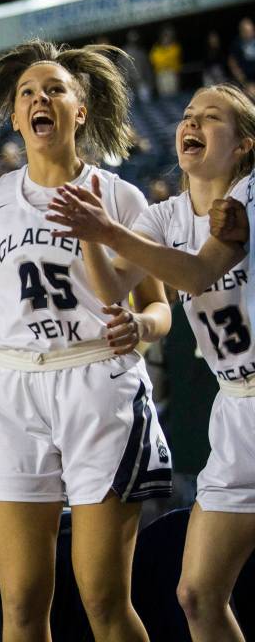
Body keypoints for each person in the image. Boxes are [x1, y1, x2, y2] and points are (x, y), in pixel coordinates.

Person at [0, 40, 173, 642]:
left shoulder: (121, 196)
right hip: (14, 385)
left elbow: (158, 307)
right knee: (20, 601)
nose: (40, 98)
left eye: (55, 89)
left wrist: (141, 328)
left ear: (80, 112)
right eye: (26, 93)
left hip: (98, 381)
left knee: (103, 599)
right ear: (16, 118)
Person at [44, 84, 255, 642]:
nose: (193, 123)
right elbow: (112, 284)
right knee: (196, 594)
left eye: (212, 118)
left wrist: (105, 228)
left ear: (242, 146)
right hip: (235, 405)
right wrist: (90, 233)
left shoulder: (248, 198)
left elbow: (196, 275)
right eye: (188, 115)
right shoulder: (165, 214)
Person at [227, 17, 255, 99]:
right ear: (241, 31)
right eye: (246, 31)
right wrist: (245, 83)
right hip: (248, 82)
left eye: (251, 30)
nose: (249, 33)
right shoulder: (236, 45)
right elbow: (233, 64)